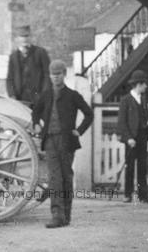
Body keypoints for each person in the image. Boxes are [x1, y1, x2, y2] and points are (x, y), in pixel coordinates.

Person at [32, 60, 93, 228]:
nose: (55, 77)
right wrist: (36, 123)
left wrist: (79, 131)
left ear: (64, 75)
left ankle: (66, 215)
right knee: (54, 178)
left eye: (58, 74)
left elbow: (89, 114)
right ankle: (57, 215)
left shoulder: (73, 95)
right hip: (50, 140)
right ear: (49, 76)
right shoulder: (45, 95)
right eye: (52, 74)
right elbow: (35, 111)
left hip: (67, 142)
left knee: (66, 177)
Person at [116, 70, 148, 204]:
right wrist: (128, 138)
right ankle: (127, 195)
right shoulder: (125, 100)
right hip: (131, 139)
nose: (146, 87)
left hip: (143, 137)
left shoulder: (143, 100)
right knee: (130, 167)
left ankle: (143, 196)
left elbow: (146, 115)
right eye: (144, 84)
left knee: (143, 167)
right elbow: (122, 122)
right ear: (138, 84)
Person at [6, 25, 51, 107]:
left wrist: (44, 94)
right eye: (21, 36)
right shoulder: (13, 56)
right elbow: (9, 79)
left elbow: (47, 75)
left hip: (38, 97)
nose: (24, 39)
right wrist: (12, 95)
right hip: (20, 99)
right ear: (17, 38)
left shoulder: (40, 52)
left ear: (30, 37)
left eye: (26, 36)